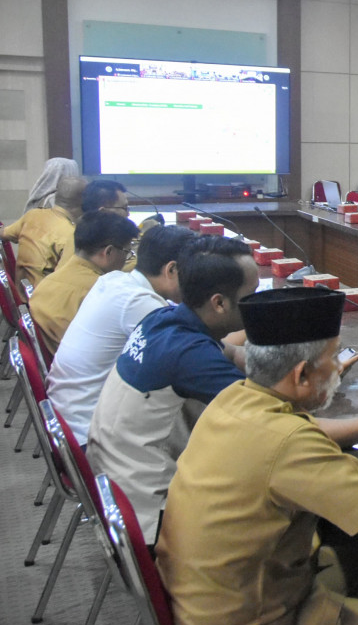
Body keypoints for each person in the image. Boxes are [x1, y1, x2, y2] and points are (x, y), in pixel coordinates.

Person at [157, 286, 358, 625]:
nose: (339, 368)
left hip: (205, 602)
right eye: (333, 358)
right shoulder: (288, 441)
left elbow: (300, 433)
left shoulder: (235, 397)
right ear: (301, 373)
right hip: (251, 624)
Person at [87, 235, 258, 540]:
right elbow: (275, 424)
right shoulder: (188, 354)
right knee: (276, 487)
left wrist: (292, 367)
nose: (257, 305)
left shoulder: (163, 319)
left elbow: (233, 355)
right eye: (252, 297)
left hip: (120, 490)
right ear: (219, 303)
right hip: (156, 520)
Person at [47, 225, 195, 444]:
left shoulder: (114, 280)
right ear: (171, 270)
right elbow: (194, 356)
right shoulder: (140, 303)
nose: (198, 282)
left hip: (69, 412)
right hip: (89, 431)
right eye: (195, 272)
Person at [28, 210, 139, 353]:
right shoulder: (99, 292)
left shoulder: (50, 280)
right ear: (108, 252)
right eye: (127, 252)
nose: (126, 259)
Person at [3, 176, 87, 287]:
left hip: (24, 293)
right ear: (85, 202)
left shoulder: (32, 215)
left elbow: (3, 234)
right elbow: (66, 280)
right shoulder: (71, 235)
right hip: (48, 297)